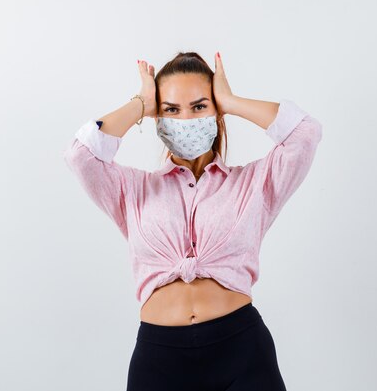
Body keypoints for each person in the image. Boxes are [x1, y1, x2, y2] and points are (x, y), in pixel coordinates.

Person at [63, 51, 322, 391]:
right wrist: (140, 104)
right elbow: (80, 155)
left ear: (216, 115)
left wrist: (230, 100)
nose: (185, 119)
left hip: (242, 351)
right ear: (158, 118)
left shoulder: (254, 183)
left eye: (199, 106)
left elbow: (305, 133)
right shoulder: (132, 189)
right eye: (171, 109)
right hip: (160, 360)